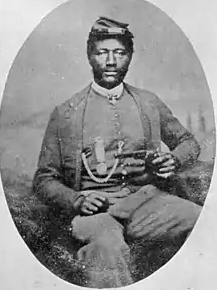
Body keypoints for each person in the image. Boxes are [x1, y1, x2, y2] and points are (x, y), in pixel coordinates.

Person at [33, 17, 202, 288]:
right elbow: (43, 179)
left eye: (119, 53)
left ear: (130, 57)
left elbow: (189, 143)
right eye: (102, 52)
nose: (111, 61)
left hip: (145, 201)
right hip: (94, 212)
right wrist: (77, 201)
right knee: (107, 248)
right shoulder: (66, 113)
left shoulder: (148, 102)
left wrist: (174, 158)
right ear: (90, 56)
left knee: (201, 220)